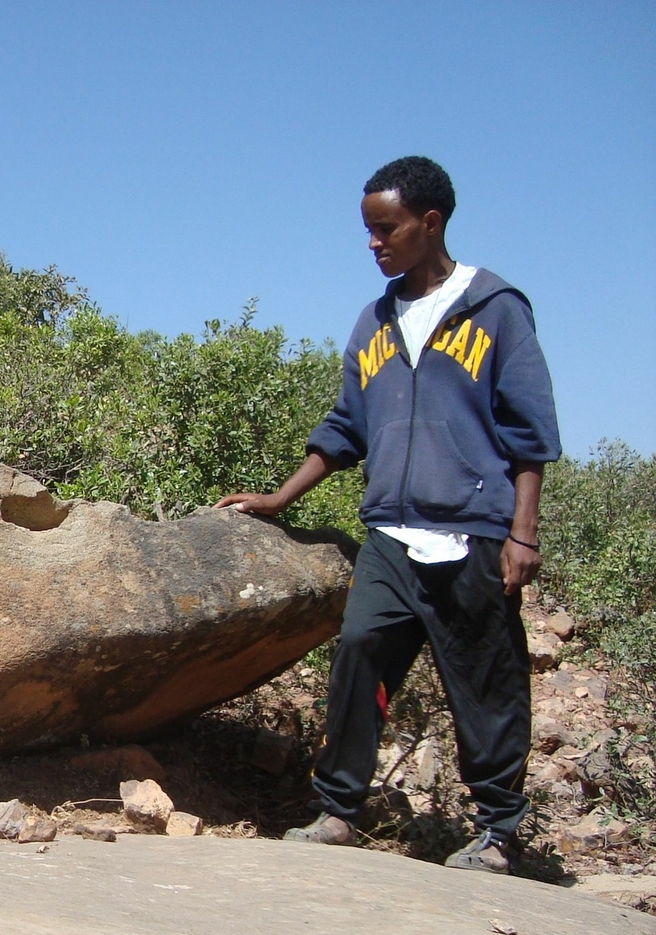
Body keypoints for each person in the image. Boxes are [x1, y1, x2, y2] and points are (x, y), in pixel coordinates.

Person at [216, 156, 560, 875]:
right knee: (360, 656)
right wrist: (281, 497)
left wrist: (522, 532)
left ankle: (498, 832)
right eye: (368, 231)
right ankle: (339, 809)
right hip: (392, 538)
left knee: (486, 682)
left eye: (387, 229)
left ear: (429, 223)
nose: (374, 243)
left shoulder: (496, 309)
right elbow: (348, 426)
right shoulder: (375, 321)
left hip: (473, 537)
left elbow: (529, 434)